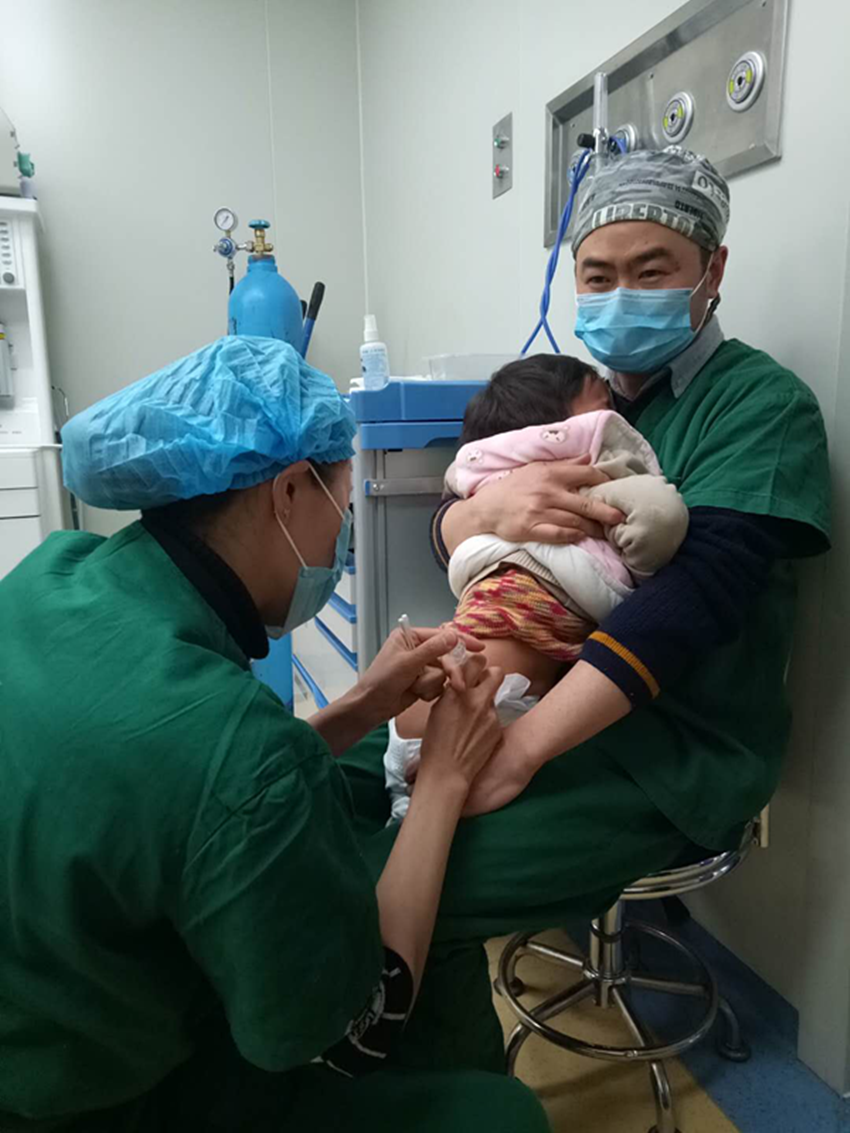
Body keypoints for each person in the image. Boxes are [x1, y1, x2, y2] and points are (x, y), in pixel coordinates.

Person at [338, 145, 831, 1072]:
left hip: (673, 748)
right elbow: (473, 514)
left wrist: (519, 750)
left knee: (417, 882)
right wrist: (474, 516)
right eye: (599, 276)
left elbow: (687, 602)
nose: (621, 295)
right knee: (325, 796)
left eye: (652, 270)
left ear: (713, 270)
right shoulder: (573, 399)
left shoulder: (760, 406)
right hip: (534, 685)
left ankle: (449, 1099)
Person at [0, 336, 550, 1133]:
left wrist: (360, 706)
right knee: (503, 1116)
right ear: (289, 490)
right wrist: (443, 779)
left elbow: (175, 791)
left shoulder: (55, 571)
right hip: (86, 1103)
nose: (344, 537)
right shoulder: (233, 743)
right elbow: (355, 1029)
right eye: (343, 505)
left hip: (39, 1002)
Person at [384, 354, 688, 822]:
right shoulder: (579, 480)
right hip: (486, 705)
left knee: (404, 829)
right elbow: (658, 520)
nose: (616, 421)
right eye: (602, 410)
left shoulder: (483, 480)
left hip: (432, 700)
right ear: (556, 436)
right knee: (431, 840)